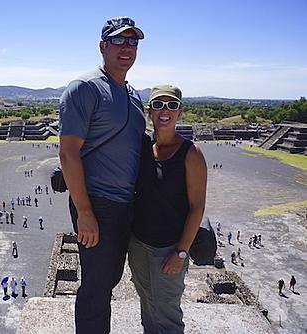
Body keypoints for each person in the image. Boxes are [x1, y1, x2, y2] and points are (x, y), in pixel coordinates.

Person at [59, 17, 145, 333]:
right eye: (119, 41)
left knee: (109, 279)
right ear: (102, 45)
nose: (127, 48)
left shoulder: (134, 96)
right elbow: (68, 153)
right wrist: (84, 212)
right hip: (96, 202)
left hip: (126, 205)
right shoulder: (84, 89)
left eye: (133, 42)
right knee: (96, 286)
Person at [129, 84, 207, 333]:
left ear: (180, 112)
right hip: (138, 244)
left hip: (168, 249)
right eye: (159, 105)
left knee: (168, 316)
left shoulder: (190, 153)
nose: (165, 110)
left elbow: (197, 207)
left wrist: (181, 252)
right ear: (149, 111)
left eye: (172, 105)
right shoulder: (143, 148)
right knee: (148, 307)